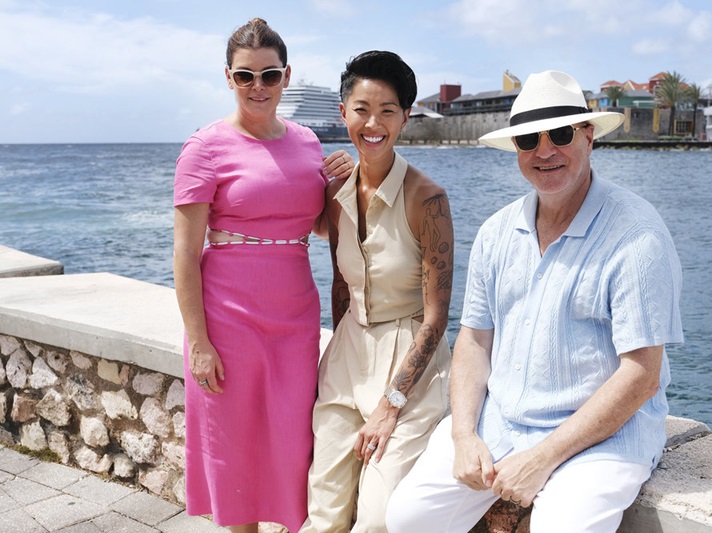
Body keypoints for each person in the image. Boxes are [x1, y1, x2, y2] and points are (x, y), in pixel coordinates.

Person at [386, 70, 683, 532]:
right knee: (407, 519)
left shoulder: (636, 236)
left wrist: (543, 457)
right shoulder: (497, 231)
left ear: (588, 137)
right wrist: (464, 434)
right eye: (529, 138)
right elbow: (474, 339)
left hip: (604, 438)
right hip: (499, 422)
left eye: (561, 133)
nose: (544, 151)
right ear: (517, 149)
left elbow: (641, 375)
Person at [173, 18, 353, 533]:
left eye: (269, 75)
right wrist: (199, 342)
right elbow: (185, 256)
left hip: (295, 315)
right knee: (239, 450)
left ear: (286, 77)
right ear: (228, 78)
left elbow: (315, 226)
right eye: (246, 75)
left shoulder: (307, 142)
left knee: (294, 444)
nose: (258, 87)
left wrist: (339, 184)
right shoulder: (203, 148)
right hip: (226, 319)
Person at [299, 51, 454, 533]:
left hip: (410, 365)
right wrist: (336, 356)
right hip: (348, 354)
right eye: (362, 108)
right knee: (323, 510)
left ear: (405, 118)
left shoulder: (426, 199)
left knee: (378, 518)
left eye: (388, 110)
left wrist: (391, 405)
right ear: (343, 113)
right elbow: (341, 285)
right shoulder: (334, 190)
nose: (373, 122)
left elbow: (436, 318)